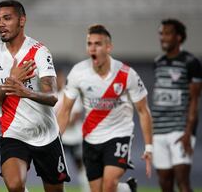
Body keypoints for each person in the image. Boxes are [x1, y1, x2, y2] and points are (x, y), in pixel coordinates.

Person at [0, 0, 70, 192]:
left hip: (46, 134)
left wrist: (24, 91)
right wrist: (9, 83)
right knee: (14, 185)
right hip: (14, 133)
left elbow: (52, 96)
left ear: (22, 21)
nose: (1, 24)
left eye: (7, 18)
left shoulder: (39, 52)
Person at [57, 24, 153, 192]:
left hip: (118, 135)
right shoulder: (78, 73)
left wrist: (149, 147)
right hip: (91, 138)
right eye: (89, 44)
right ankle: (128, 189)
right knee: (97, 190)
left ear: (108, 47)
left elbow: (143, 110)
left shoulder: (126, 74)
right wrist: (54, 140)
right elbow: (65, 110)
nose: (92, 48)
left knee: (108, 186)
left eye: (98, 44)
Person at [151, 18, 202, 192]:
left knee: (182, 180)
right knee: (165, 183)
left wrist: (188, 132)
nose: (162, 37)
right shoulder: (158, 62)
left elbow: (195, 100)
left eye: (167, 33)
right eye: (161, 34)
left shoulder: (190, 62)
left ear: (179, 37)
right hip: (159, 130)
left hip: (180, 130)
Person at [54, 69, 90, 192]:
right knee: (58, 167)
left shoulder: (70, 94)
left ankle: (87, 189)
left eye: (60, 78)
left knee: (81, 165)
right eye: (56, 78)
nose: (58, 81)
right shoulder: (51, 96)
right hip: (60, 138)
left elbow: (75, 116)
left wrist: (58, 123)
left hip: (75, 137)